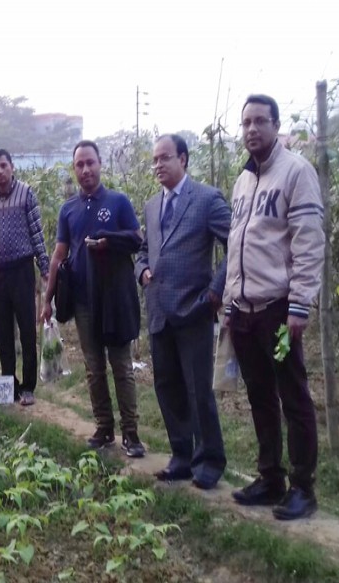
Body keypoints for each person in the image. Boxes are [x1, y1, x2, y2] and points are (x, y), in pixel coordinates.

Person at [224, 94, 325, 520]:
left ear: (276, 125)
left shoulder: (297, 172)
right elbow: (236, 245)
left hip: (279, 309)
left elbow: (307, 242)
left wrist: (300, 304)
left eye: (260, 121)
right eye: (246, 122)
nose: (252, 129)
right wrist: (230, 299)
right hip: (244, 310)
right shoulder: (243, 182)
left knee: (293, 395)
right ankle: (270, 477)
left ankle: (303, 487)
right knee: (260, 395)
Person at [135, 134, 230, 488]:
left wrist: (216, 292)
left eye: (165, 158)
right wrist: (141, 270)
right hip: (159, 310)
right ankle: (181, 455)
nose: (158, 165)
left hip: (194, 310)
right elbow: (145, 249)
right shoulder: (151, 205)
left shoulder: (206, 199)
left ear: (184, 159)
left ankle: (210, 461)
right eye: (154, 160)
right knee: (168, 386)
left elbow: (235, 243)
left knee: (197, 389)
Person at [42, 140, 145, 457]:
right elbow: (59, 255)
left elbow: (136, 240)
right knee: (93, 368)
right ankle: (104, 428)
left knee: (121, 367)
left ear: (100, 164)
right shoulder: (68, 210)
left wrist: (108, 242)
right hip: (84, 301)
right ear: (74, 170)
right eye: (79, 165)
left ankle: (131, 433)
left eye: (90, 163)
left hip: (114, 299)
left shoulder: (118, 202)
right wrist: (47, 300)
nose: (85, 169)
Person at [0, 149, 50, 406]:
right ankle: (9, 384)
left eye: (4, 166)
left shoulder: (26, 194)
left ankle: (28, 387)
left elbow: (37, 233)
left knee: (27, 330)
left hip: (23, 270)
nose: (0, 171)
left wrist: (46, 269)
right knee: (3, 332)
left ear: (12, 167)